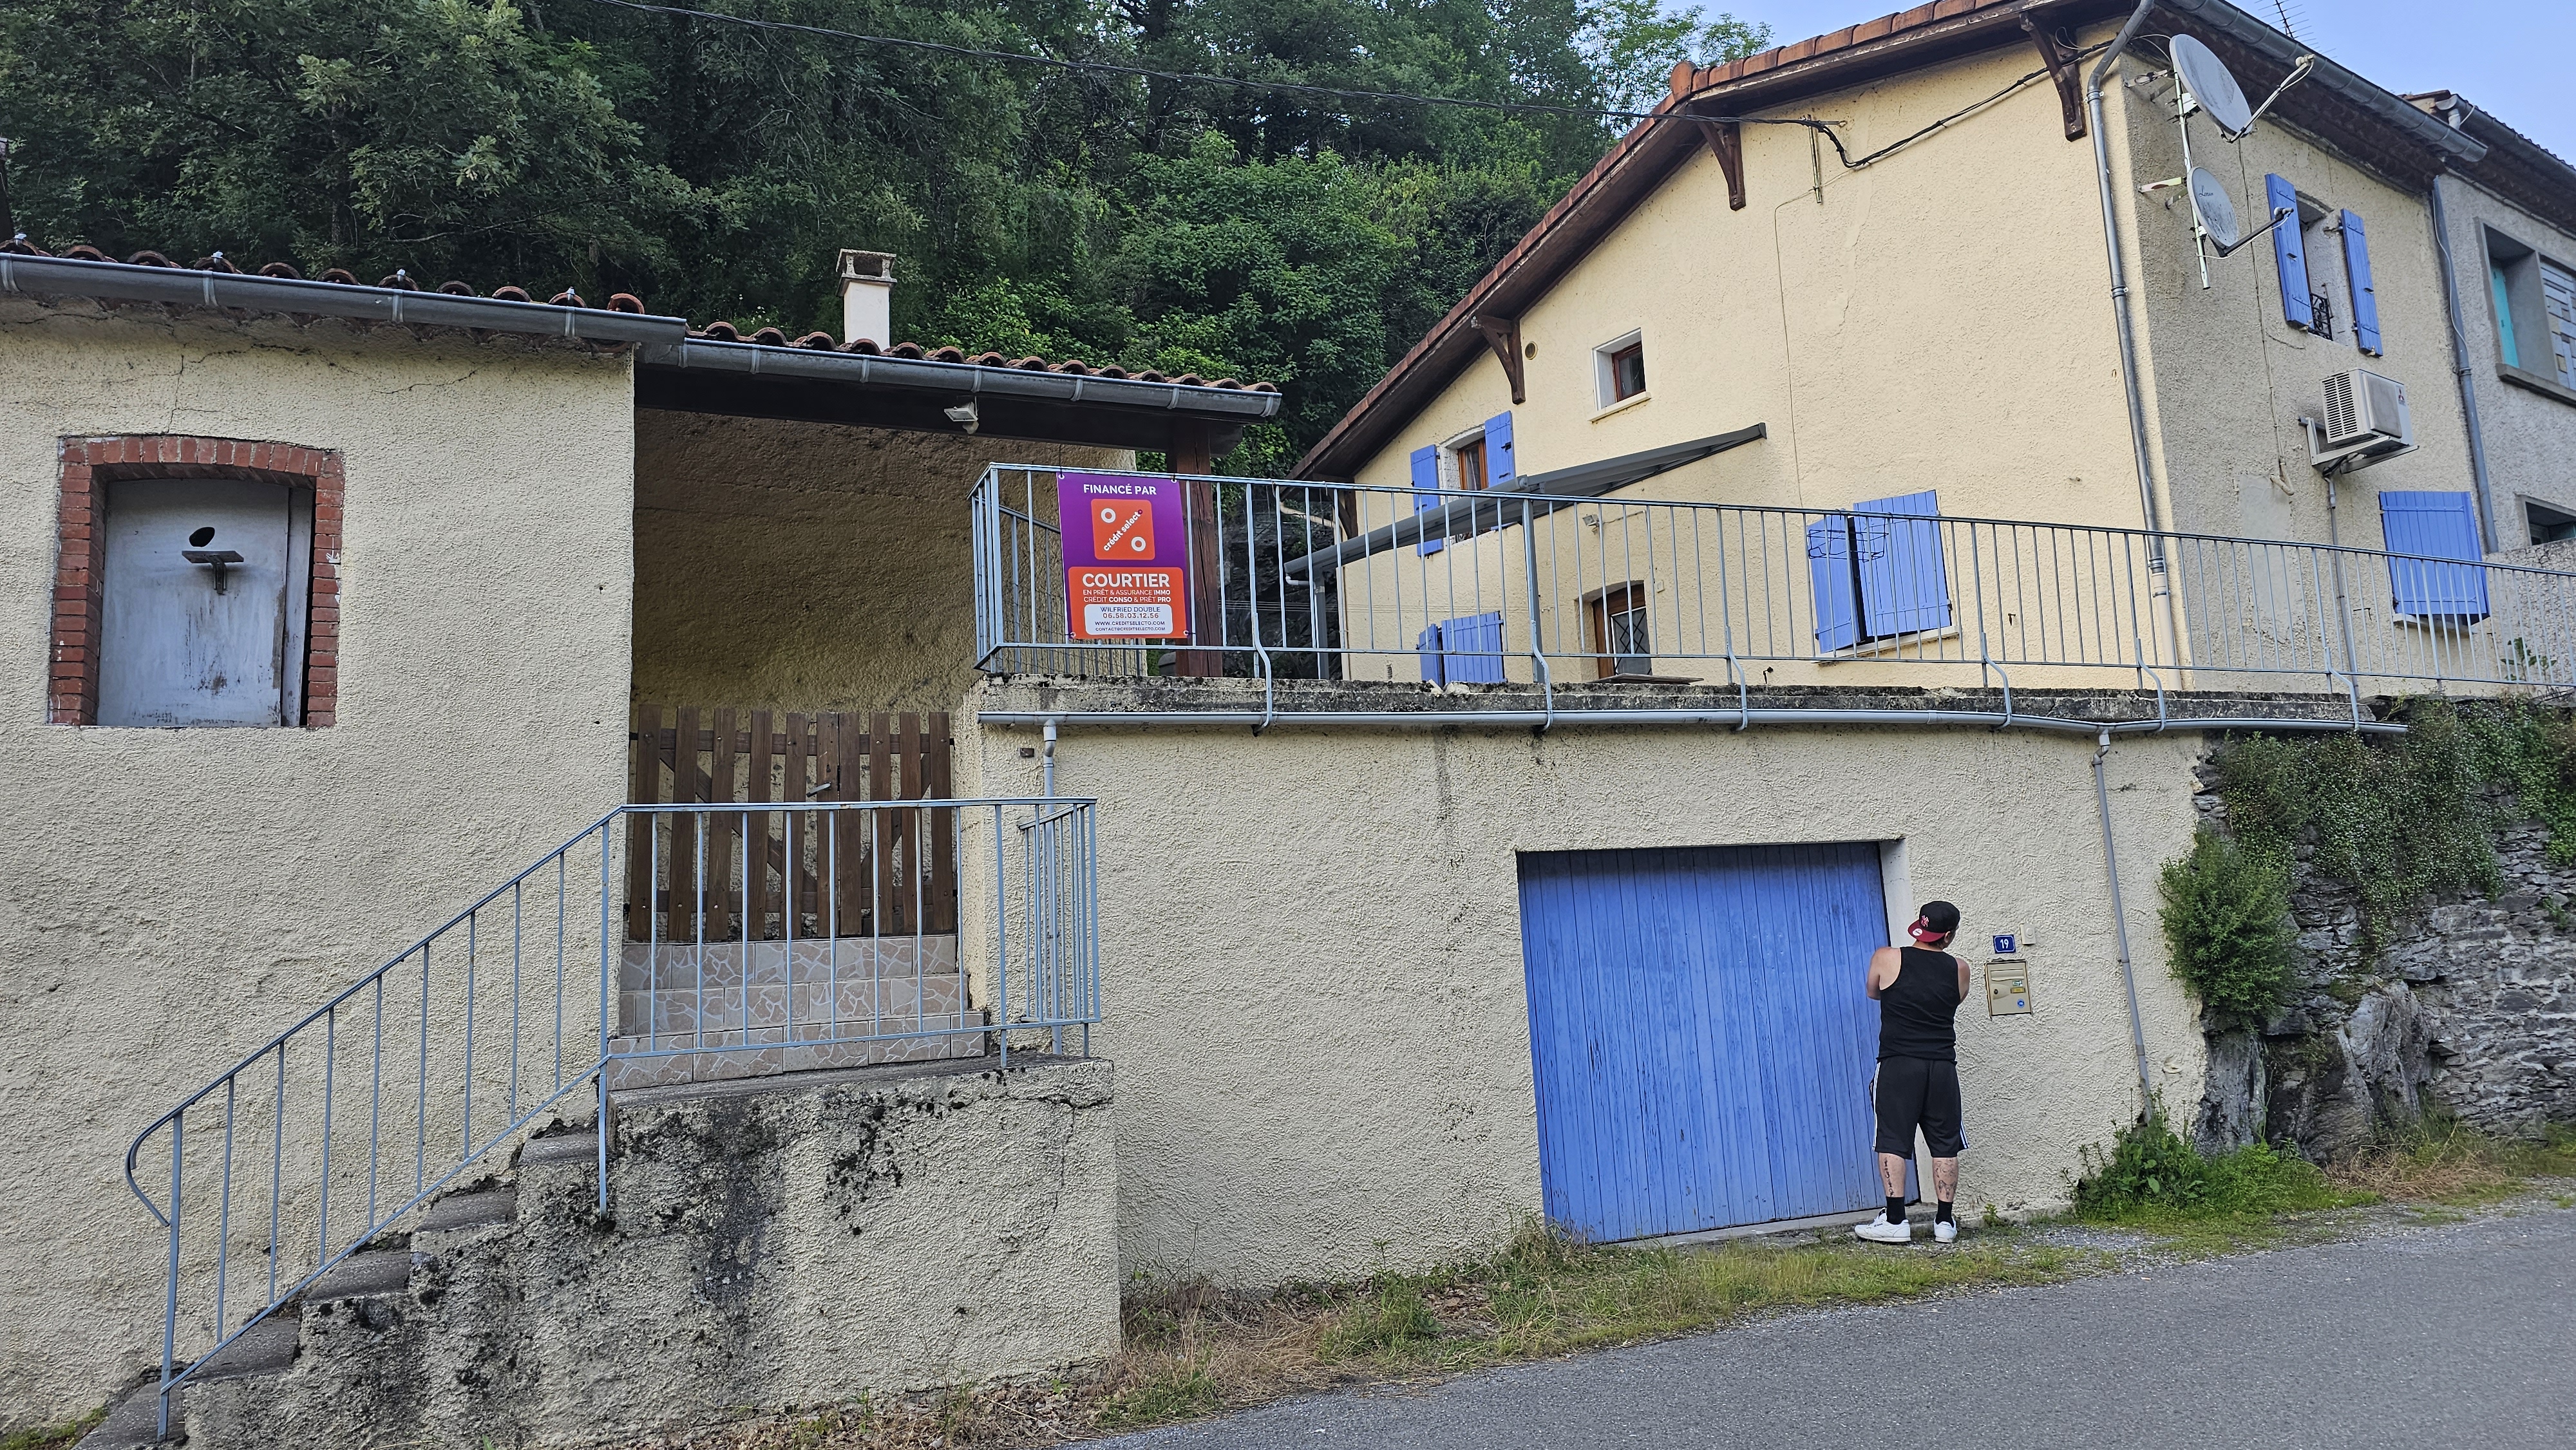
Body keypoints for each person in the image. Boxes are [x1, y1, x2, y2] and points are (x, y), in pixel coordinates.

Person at [1853, 900, 1971, 1245]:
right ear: (1948, 936)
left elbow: (1874, 991)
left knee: (1892, 1138)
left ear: (1920, 927)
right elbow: (1954, 1001)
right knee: (1945, 1143)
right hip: (1942, 1067)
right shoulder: (1960, 968)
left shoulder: (1886, 957)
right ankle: (1944, 1223)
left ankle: (1895, 1221)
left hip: (1899, 1064)